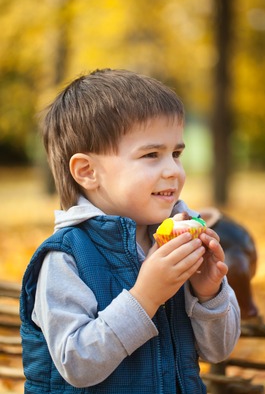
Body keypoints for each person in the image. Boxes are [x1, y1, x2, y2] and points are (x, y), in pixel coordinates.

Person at [20, 68, 240, 394]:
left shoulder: (176, 239)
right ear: (87, 171)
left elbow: (218, 351)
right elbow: (76, 363)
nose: (173, 171)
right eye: (151, 155)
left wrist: (209, 295)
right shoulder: (66, 257)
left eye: (176, 153)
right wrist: (146, 297)